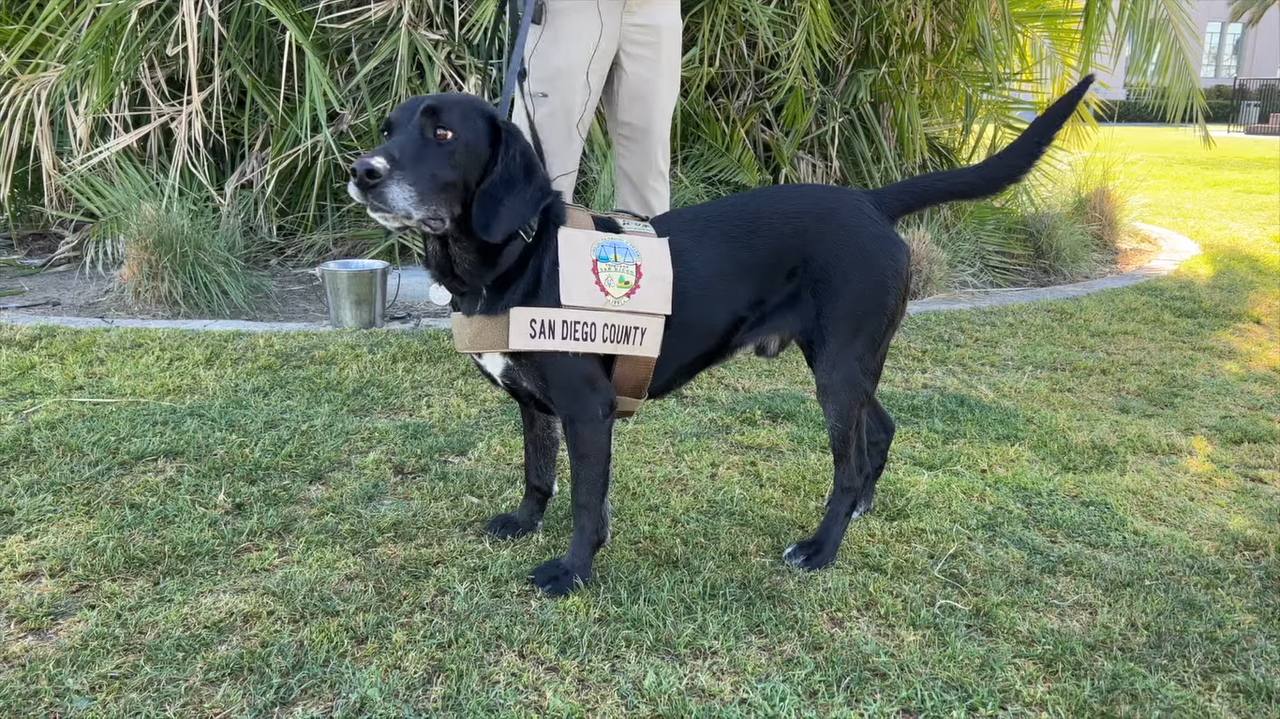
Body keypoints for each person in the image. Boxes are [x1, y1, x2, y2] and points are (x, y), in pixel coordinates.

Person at [511, 0, 682, 219]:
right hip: (568, 10)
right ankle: (531, 251)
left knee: (648, 184)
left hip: (656, 8)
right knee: (541, 179)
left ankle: (646, 251)